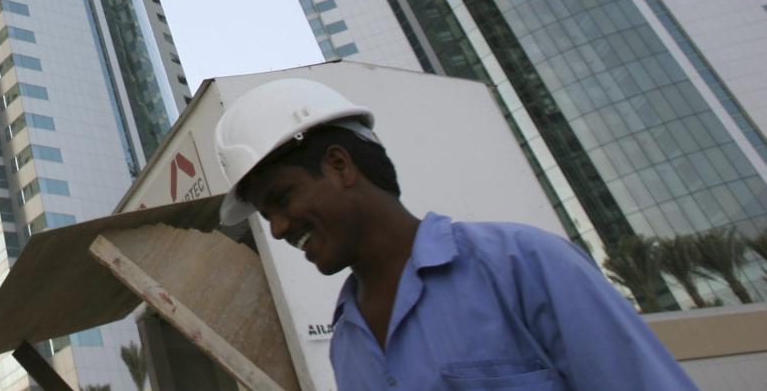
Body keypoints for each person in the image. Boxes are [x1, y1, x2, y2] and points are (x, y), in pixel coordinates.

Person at [214, 78, 697, 390]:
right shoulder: (348, 343)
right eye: (264, 214)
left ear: (340, 165)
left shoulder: (523, 265)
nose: (276, 229)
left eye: (281, 199)